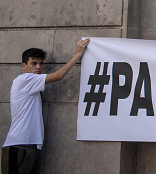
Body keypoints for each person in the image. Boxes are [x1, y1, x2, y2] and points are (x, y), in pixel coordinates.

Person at [1, 38, 90, 174]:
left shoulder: (30, 83)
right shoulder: (24, 79)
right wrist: (78, 54)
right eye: (34, 63)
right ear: (23, 66)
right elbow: (59, 75)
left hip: (27, 146)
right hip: (19, 146)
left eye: (41, 64)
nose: (38, 67)